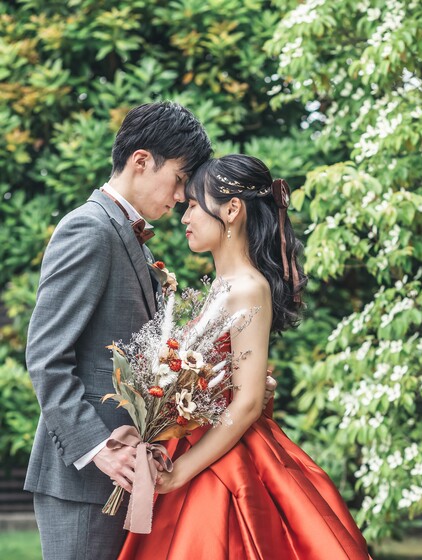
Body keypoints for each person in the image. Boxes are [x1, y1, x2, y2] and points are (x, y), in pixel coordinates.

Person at [24, 103, 276, 560]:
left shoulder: (130, 238)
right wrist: (99, 449)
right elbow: (46, 357)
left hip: (132, 472)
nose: (180, 197)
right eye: (179, 180)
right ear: (141, 161)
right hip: (85, 479)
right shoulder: (89, 228)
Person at [118, 154, 372, 559]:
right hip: (199, 444)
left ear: (232, 210)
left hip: (226, 460)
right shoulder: (223, 284)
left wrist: (181, 472)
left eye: (194, 206)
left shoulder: (248, 287)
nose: (185, 217)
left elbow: (249, 401)